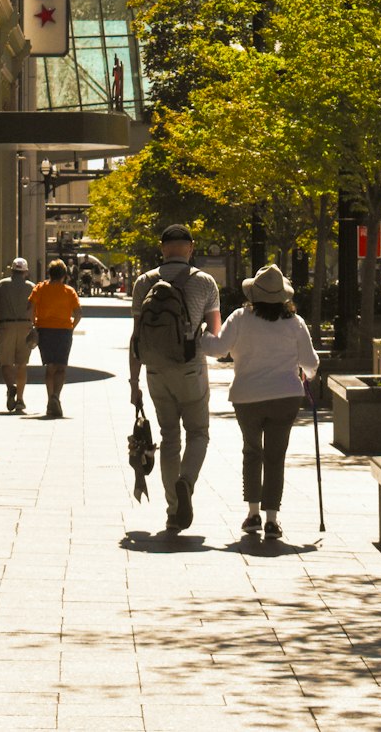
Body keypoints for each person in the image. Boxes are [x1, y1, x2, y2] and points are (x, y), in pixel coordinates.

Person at [200, 264, 319, 540]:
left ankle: (252, 514)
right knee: (275, 456)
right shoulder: (295, 323)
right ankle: (272, 520)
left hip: (247, 396)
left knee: (252, 452)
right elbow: (310, 363)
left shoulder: (240, 318)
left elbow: (217, 350)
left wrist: (202, 333)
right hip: (286, 396)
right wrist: (308, 375)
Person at [130, 225, 221, 532]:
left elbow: (136, 338)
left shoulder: (144, 282)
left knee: (169, 437)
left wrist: (134, 383)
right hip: (191, 368)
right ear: (191, 248)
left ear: (162, 248)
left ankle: (173, 509)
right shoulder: (205, 283)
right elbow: (215, 333)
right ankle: (186, 482)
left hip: (156, 371)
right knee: (198, 433)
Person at [29, 258, 81, 417]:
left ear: (49, 274)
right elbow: (78, 314)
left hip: (44, 330)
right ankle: (56, 397)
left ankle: (50, 398)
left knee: (50, 367)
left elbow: (30, 307)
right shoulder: (69, 291)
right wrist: (72, 327)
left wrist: (35, 324)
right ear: (64, 275)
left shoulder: (40, 289)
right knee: (61, 367)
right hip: (63, 331)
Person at [0, 256, 36, 413]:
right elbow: (35, 309)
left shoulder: (2, 285)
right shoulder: (31, 287)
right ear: (25, 272)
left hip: (6, 326)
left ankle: (11, 387)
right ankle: (20, 400)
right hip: (25, 327)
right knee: (22, 365)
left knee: (6, 363)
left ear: (12, 270)